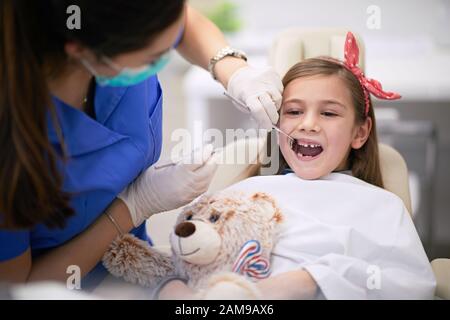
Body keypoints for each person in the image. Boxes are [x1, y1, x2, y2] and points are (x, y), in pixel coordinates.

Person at [0, 0, 283, 289]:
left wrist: (233, 70)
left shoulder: (121, 32)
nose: (168, 52)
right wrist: (133, 206)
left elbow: (179, 21)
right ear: (82, 50)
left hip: (136, 264)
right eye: (156, 56)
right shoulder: (13, 141)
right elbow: (18, 288)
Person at [157, 32, 436, 299]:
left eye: (328, 113)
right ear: (276, 123)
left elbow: (412, 286)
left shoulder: (382, 207)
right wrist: (173, 289)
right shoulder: (241, 197)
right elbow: (191, 257)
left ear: (359, 133)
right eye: (293, 111)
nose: (308, 124)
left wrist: (312, 280)